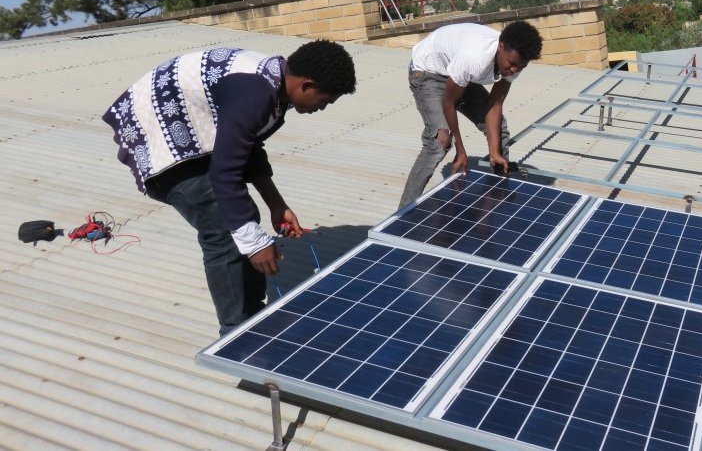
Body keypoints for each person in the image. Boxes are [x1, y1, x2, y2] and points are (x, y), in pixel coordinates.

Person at [102, 40, 356, 335]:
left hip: (191, 136)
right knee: (224, 232)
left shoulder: (276, 84)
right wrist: (253, 242)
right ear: (306, 85)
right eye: (326, 100)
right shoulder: (255, 93)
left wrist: (276, 203)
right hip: (160, 141)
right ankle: (236, 334)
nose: (323, 107)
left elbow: (245, 145)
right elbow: (225, 172)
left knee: (243, 221)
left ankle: (252, 314)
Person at [399, 20, 543, 209]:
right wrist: (460, 149)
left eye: (521, 66)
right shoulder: (475, 58)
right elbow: (449, 102)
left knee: (499, 130)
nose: (514, 70)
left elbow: (495, 104)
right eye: (512, 64)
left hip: (458, 72)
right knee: (439, 141)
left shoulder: (515, 61)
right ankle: (403, 214)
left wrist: (494, 151)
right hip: (428, 72)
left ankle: (495, 195)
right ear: (500, 47)